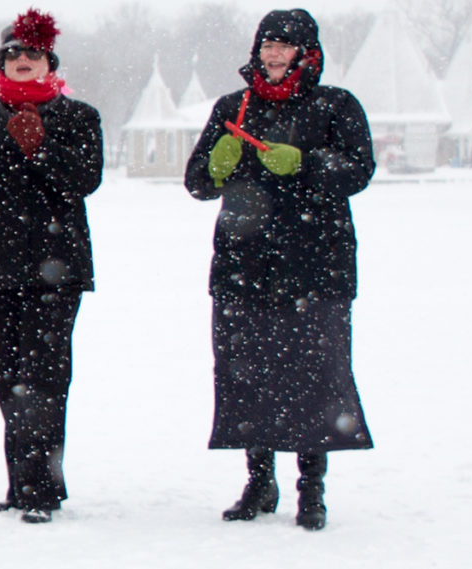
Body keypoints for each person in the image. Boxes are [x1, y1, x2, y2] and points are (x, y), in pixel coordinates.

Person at [181, 8, 376, 533]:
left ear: (306, 53)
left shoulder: (336, 106)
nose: (272, 53)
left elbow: (359, 170)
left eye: (284, 45)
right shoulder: (232, 107)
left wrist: (308, 163)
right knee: (249, 377)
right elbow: (197, 182)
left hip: (317, 269)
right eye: (266, 44)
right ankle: (258, 481)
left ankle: (311, 489)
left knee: (314, 380)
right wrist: (217, 164)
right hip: (244, 270)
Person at [0, 8, 102, 525]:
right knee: (8, 378)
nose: (21, 60)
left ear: (49, 61)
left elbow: (84, 181)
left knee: (45, 378)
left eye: (31, 53)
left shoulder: (79, 117)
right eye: (12, 54)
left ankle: (41, 489)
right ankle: (20, 481)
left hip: (56, 266)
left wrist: (42, 150)